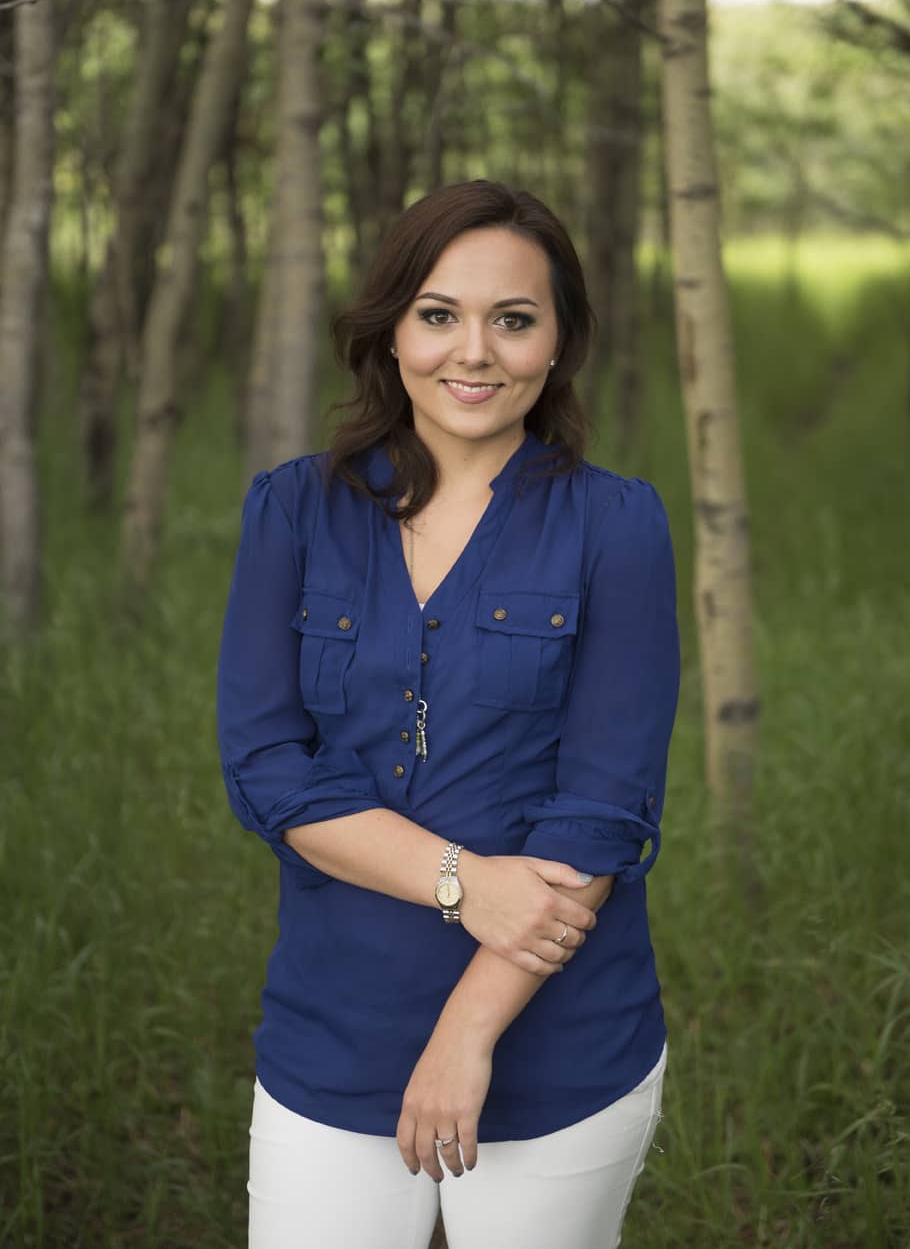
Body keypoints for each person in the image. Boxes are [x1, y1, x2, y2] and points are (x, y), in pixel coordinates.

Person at [218, 180, 680, 1248]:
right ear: (391, 331)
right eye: (438, 315)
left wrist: (465, 1035)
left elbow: (601, 813)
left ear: (558, 342)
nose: (473, 352)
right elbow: (267, 766)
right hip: (332, 1035)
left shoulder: (617, 527)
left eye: (513, 320)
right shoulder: (292, 510)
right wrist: (461, 881)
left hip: (561, 1048)